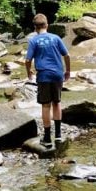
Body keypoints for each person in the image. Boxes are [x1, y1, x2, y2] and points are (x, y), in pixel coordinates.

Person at [25, 13, 71, 150]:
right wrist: (68, 71)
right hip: (57, 74)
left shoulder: (34, 41)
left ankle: (47, 138)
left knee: (46, 105)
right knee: (57, 103)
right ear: (47, 25)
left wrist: (29, 72)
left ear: (35, 28)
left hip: (44, 75)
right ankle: (58, 135)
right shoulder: (56, 38)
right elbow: (67, 55)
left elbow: (28, 60)